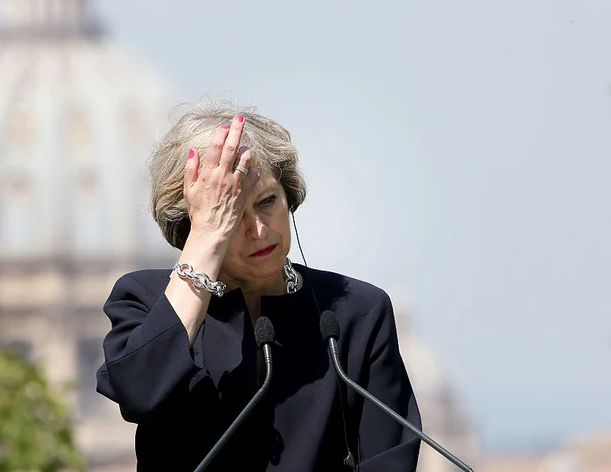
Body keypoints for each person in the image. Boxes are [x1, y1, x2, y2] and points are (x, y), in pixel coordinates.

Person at [96, 104, 422, 471]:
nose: (259, 230)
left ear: (290, 196)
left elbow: (389, 456)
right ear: (194, 225)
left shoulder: (358, 311)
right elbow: (140, 394)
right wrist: (205, 246)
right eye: (231, 213)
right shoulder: (144, 299)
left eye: (268, 202)